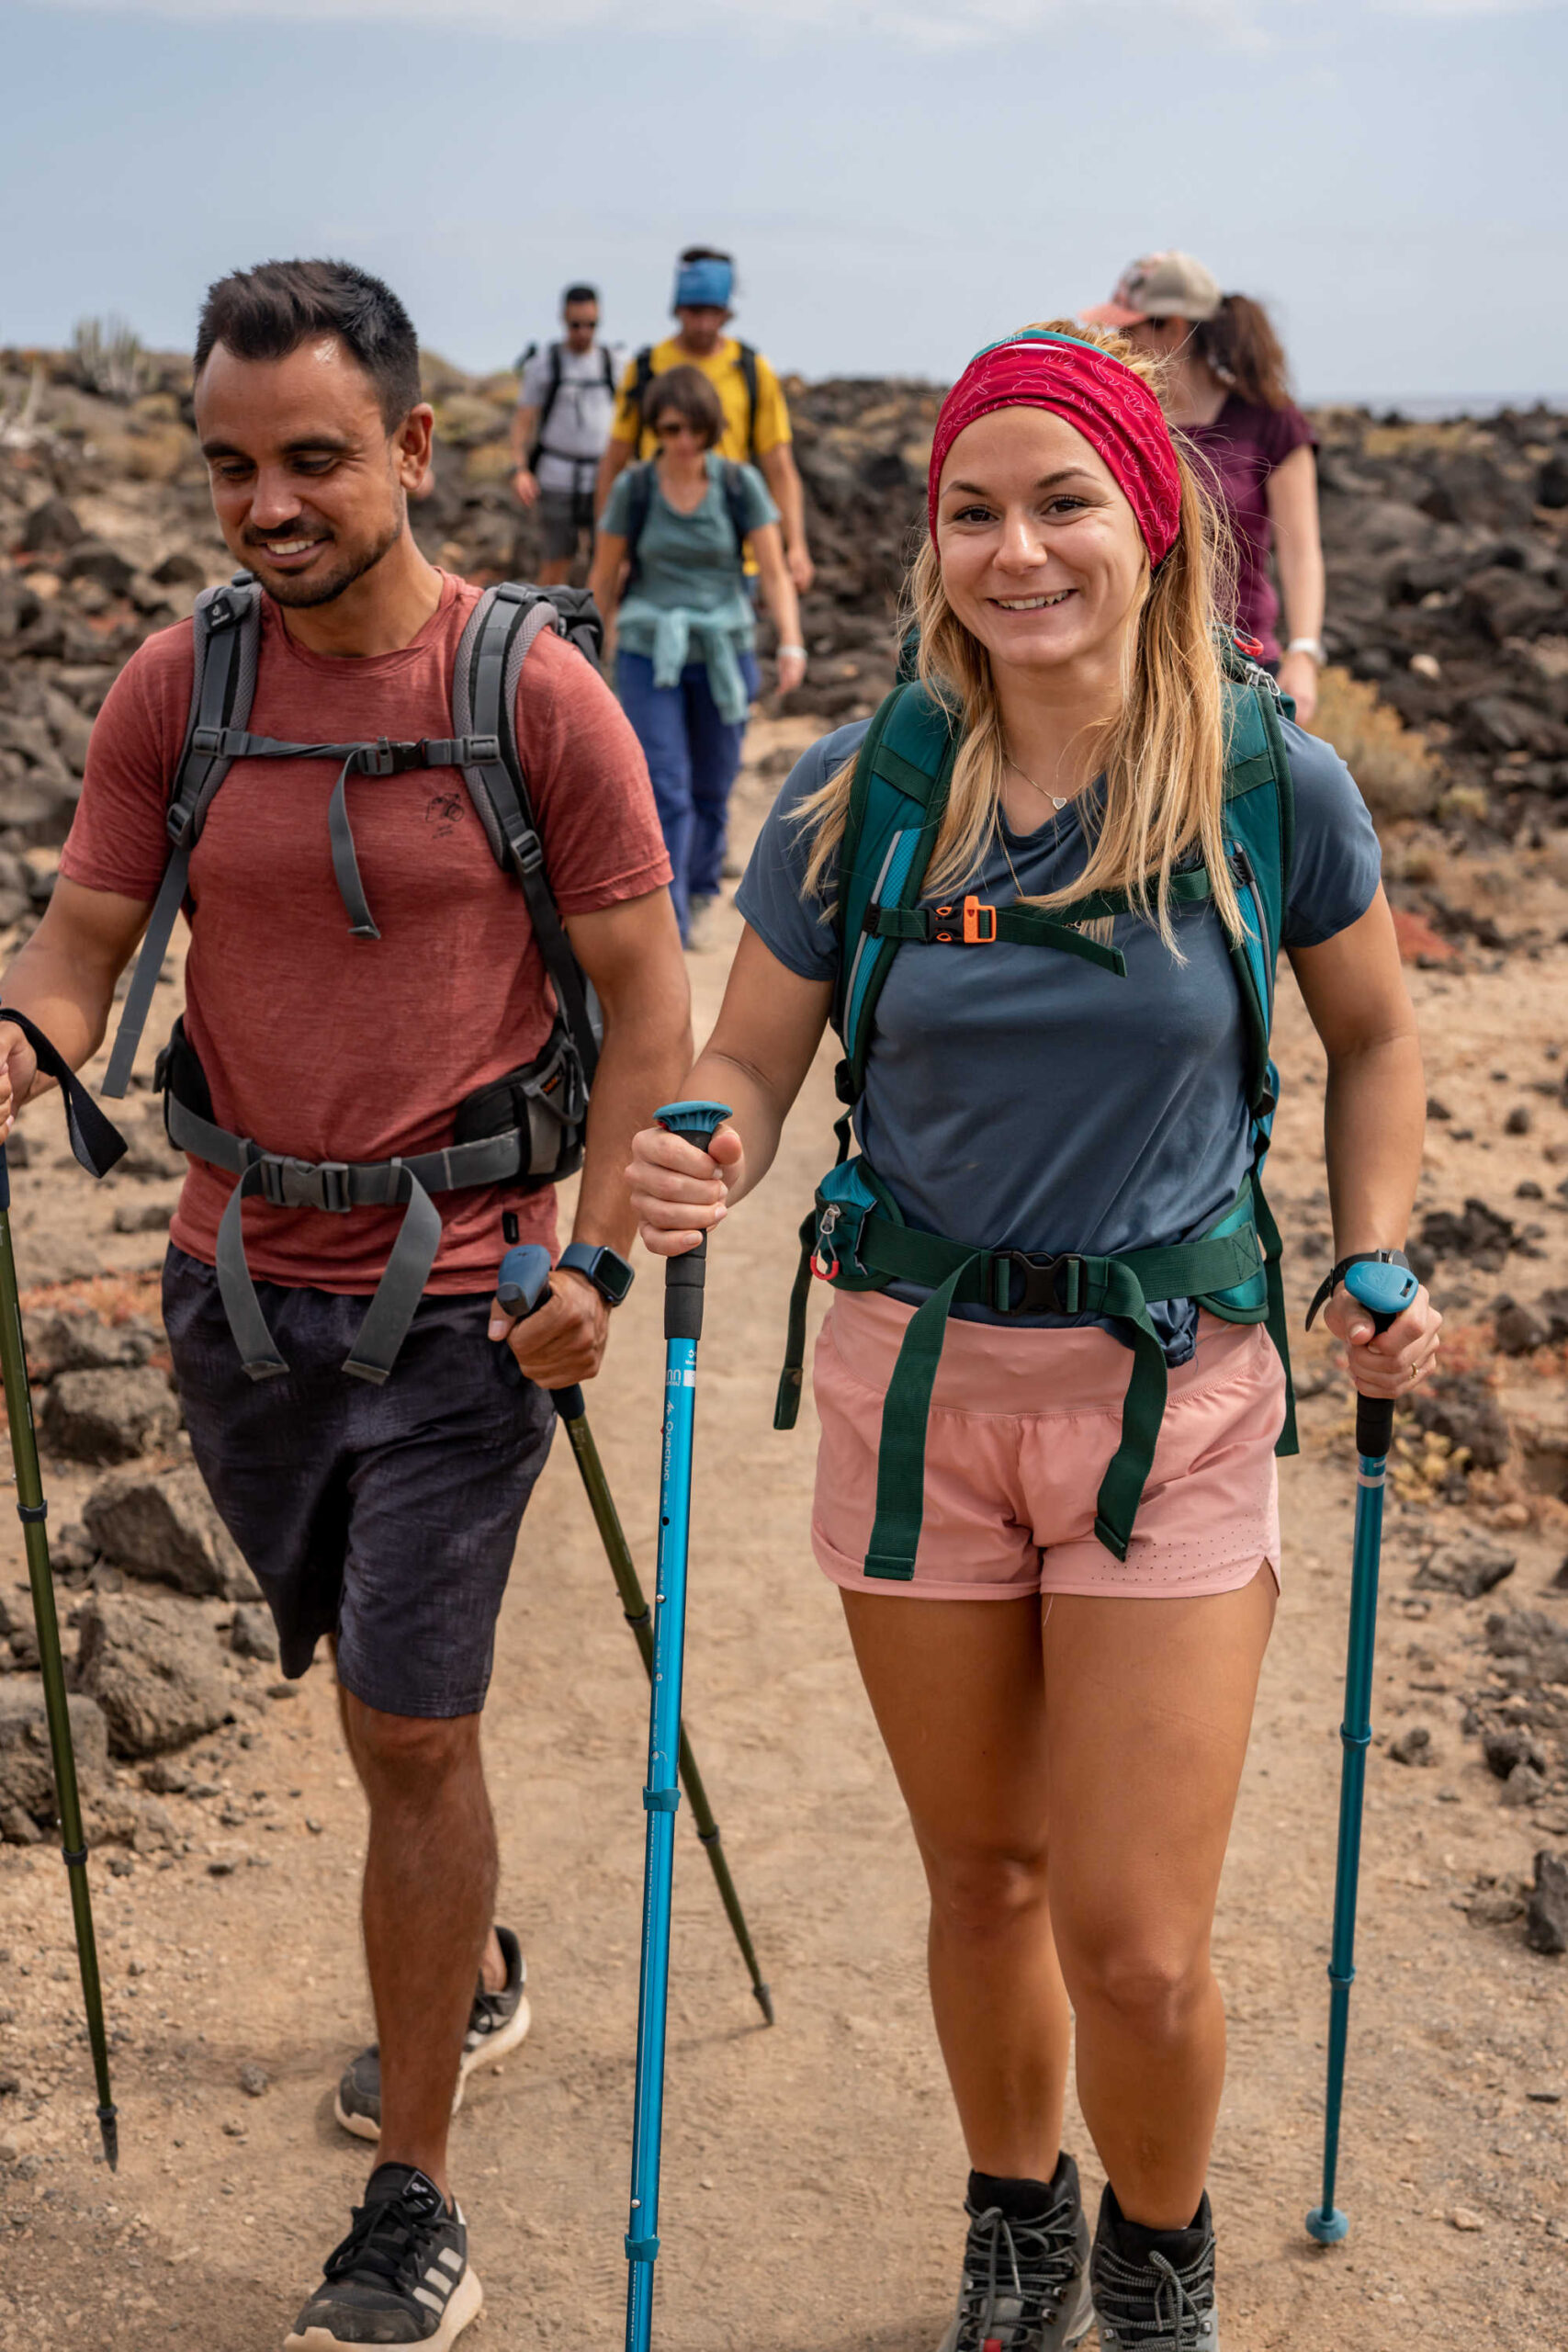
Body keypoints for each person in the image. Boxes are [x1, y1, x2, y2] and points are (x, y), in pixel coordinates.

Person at [628, 322, 1439, 2349]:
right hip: (912, 1405)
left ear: (1151, 525)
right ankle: (1016, 2210)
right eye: (973, 512)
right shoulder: (870, 786)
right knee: (984, 1874)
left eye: (1061, 500)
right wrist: (697, 1146)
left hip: (1176, 1401)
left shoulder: (1272, 781)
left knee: (1138, 1940)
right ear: (933, 548)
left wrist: (1375, 1252)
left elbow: (1371, 1034)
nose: (1017, 550)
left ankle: (1158, 2244)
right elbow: (746, 1053)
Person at [0, 257, 690, 2352]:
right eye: (230, 464)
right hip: (229, 1299)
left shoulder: (532, 695)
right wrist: (23, 1039)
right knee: (364, 1697)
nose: (265, 501)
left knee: (408, 1716)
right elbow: (82, 943)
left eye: (310, 456)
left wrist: (590, 1254)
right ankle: (464, 1951)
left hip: (467, 1301)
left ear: (408, 445)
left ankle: (412, 2200)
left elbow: (650, 997)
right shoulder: (173, 688)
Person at [589, 364, 806, 949]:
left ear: (712, 428)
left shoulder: (739, 485)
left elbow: (777, 571)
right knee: (665, 786)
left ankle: (702, 886)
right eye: (670, 429)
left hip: (723, 650)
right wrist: (584, 655)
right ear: (655, 428)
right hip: (645, 651)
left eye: (694, 429)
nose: (683, 442)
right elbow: (604, 577)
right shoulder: (634, 488)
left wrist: (790, 640)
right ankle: (671, 921)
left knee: (713, 786)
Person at [1082, 252, 1326, 723]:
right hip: (1133, 668)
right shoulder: (1120, 419)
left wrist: (1304, 653)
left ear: (1173, 328)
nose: (1115, 342)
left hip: (1243, 667)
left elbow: (1301, 550)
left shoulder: (1272, 421)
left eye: (1128, 329)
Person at [595, 245, 815, 593]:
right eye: (695, 311)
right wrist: (610, 549)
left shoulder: (752, 371)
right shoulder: (646, 369)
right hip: (654, 550)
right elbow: (614, 461)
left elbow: (779, 465)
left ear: (727, 313)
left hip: (735, 550)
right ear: (678, 309)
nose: (703, 322)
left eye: (713, 312)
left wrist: (796, 545)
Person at [511, 281, 625, 586]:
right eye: (576, 325)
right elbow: (522, 423)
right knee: (556, 561)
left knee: (610, 564)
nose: (584, 332)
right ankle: (544, 629)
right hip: (555, 480)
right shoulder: (544, 365)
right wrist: (520, 470)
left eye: (591, 324)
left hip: (603, 479)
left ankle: (601, 632)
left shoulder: (615, 363)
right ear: (564, 319)